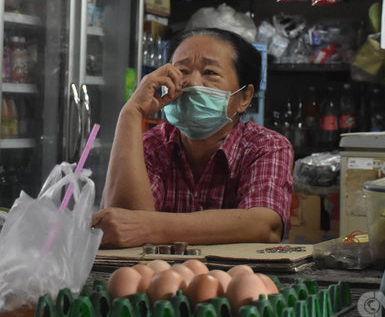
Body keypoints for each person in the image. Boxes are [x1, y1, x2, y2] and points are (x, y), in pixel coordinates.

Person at [92, 27, 293, 248]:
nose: (193, 83)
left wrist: (151, 228)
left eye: (210, 73)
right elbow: (123, 228)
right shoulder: (151, 146)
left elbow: (264, 225)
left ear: (244, 97)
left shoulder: (266, 147)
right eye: (182, 71)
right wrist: (131, 112)